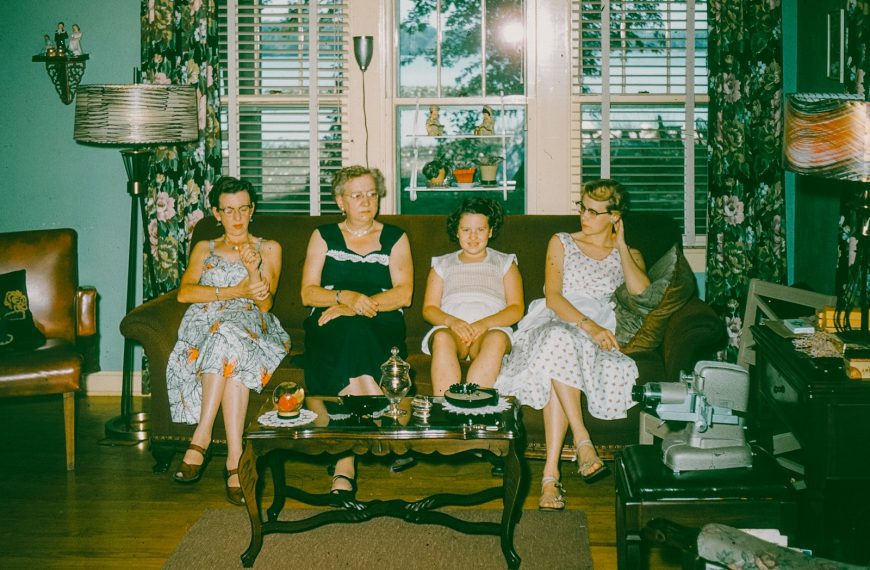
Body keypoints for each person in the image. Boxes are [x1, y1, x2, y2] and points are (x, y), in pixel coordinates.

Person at [495, 179, 650, 511]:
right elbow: (553, 296)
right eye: (582, 207)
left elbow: (641, 293)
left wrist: (620, 244)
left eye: (595, 212)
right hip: (556, 317)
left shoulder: (629, 254)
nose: (584, 216)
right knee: (558, 338)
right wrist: (587, 326)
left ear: (615, 217)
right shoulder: (562, 242)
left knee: (558, 357)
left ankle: (550, 476)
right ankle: (582, 440)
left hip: (594, 333)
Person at [166, 176, 290, 506]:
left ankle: (201, 438)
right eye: (228, 210)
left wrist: (253, 270)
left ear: (253, 210)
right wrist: (234, 292)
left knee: (228, 334)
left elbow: (265, 303)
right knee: (225, 340)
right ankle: (235, 457)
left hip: (252, 323)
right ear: (216, 214)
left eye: (243, 209)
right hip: (204, 326)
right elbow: (185, 292)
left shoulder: (268, 248)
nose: (237, 217)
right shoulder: (204, 248)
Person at [300, 165, 413, 498]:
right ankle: (378, 431)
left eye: (372, 194)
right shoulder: (323, 236)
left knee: (356, 328)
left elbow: (403, 294)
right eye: (357, 195)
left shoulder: (395, 236)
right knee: (349, 330)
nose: (366, 201)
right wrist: (343, 297)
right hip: (328, 323)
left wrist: (355, 305)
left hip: (383, 321)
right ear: (340, 201)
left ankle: (344, 457)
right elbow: (308, 293)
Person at [421, 197, 523, 395]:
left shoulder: (505, 262)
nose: (473, 236)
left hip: (490, 329)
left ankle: (474, 407)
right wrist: (452, 322)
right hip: (452, 330)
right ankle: (445, 405)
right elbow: (429, 309)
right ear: (456, 232)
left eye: (481, 229)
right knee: (441, 338)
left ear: (491, 231)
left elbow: (516, 308)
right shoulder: (442, 264)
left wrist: (483, 324)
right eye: (466, 230)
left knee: (496, 340)